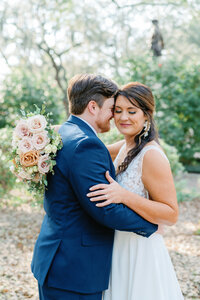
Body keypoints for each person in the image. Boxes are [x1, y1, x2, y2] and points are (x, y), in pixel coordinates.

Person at [31, 74, 158, 300]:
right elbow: (104, 208)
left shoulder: (61, 133)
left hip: (56, 259)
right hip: (75, 270)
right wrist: (150, 225)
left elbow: (124, 145)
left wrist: (144, 140)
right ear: (92, 106)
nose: (115, 116)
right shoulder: (86, 144)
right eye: (113, 108)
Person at [88, 82, 184, 299]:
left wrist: (124, 196)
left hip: (141, 251)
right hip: (118, 247)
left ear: (146, 115)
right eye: (118, 111)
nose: (124, 118)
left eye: (132, 111)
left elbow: (171, 214)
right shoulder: (125, 145)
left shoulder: (151, 155)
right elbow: (90, 149)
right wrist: (53, 133)